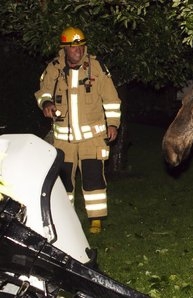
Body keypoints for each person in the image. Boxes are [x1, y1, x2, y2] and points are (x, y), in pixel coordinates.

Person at [35, 27, 122, 234]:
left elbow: (111, 99)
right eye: (74, 48)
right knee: (64, 181)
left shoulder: (96, 68)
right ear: (64, 49)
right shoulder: (53, 68)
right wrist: (46, 103)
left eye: (81, 47)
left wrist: (112, 124)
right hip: (64, 139)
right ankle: (66, 217)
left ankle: (96, 219)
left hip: (92, 138)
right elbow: (42, 91)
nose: (79, 51)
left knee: (93, 179)